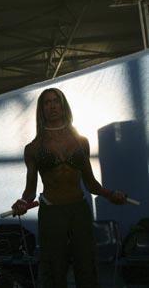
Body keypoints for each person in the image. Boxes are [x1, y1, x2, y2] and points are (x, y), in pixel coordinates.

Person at [11, 88, 127, 288]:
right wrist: (22, 202)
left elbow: (91, 183)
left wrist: (110, 194)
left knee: (87, 266)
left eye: (56, 101)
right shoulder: (33, 148)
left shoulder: (81, 141)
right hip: (51, 213)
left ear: (63, 105)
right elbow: (30, 190)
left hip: (78, 210)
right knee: (54, 270)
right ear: (41, 109)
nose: (52, 105)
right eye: (47, 102)